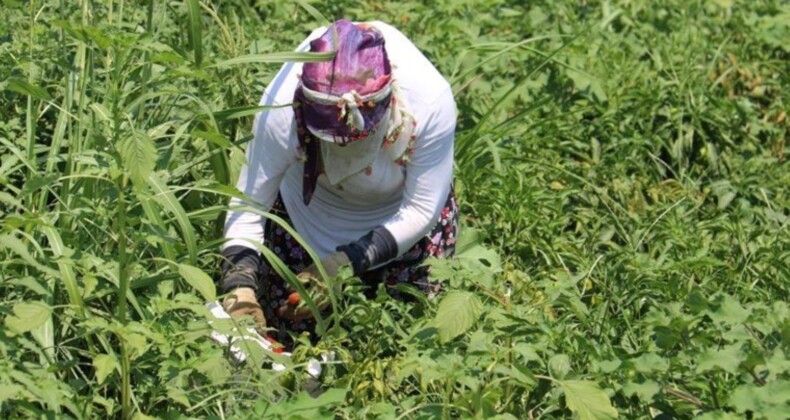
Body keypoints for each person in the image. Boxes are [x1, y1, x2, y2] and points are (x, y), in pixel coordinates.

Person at [220, 19, 458, 348]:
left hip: (402, 227)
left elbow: (420, 209)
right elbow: (248, 205)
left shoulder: (428, 102)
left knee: (402, 349)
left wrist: (342, 264)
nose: (341, 153)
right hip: (305, 220)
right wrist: (240, 289)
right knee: (288, 348)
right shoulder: (281, 108)